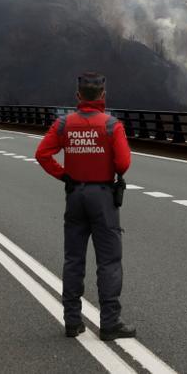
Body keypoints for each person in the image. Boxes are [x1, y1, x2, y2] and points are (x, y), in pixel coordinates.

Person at [34, 72, 135, 340]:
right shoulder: (112, 126)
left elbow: (42, 154)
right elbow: (124, 163)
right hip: (103, 196)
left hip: (75, 195)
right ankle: (110, 323)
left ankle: (72, 321)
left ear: (78, 96)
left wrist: (64, 174)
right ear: (103, 96)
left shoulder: (63, 124)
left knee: (74, 259)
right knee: (109, 261)